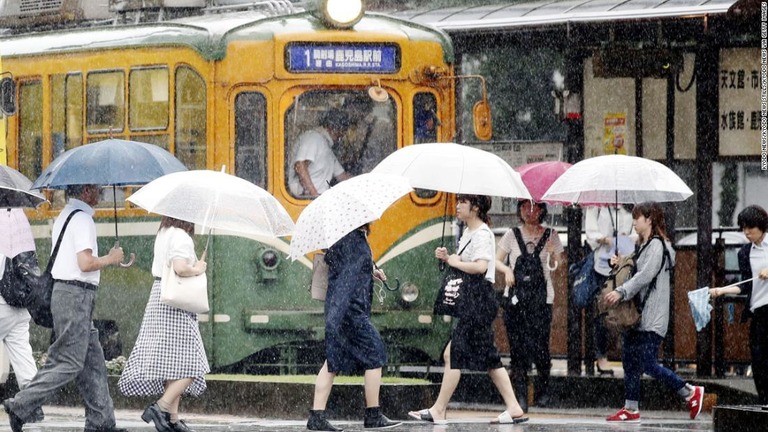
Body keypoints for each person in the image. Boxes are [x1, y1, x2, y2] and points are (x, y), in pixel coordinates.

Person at [3, 184, 127, 432]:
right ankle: (20, 405)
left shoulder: (66, 215)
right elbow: (85, 263)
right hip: (76, 296)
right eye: (97, 189)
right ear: (86, 191)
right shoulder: (82, 219)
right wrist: (112, 259)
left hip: (69, 295)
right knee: (67, 361)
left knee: (92, 361)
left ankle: (101, 421)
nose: (101, 193)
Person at [409, 195, 528, 425]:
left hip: (478, 301)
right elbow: (465, 261)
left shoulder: (482, 233)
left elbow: (481, 266)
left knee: (453, 356)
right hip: (475, 303)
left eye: (462, 203)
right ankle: (513, 407)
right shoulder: (468, 232)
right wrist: (448, 257)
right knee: (489, 359)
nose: (458, 207)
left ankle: (439, 410)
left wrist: (455, 262)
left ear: (475, 208)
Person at [603, 201, 704, 423]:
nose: (634, 222)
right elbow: (634, 272)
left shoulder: (657, 245)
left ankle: (688, 391)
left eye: (637, 218)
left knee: (647, 363)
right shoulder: (643, 245)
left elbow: (645, 276)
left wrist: (621, 291)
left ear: (649, 219)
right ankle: (630, 408)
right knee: (629, 360)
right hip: (637, 317)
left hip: (651, 317)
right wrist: (619, 263)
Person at [118, 216, 209, 432]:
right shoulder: (181, 236)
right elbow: (180, 267)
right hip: (176, 301)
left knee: (175, 364)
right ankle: (161, 407)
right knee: (194, 364)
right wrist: (198, 268)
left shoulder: (164, 233)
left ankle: (172, 419)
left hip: (161, 296)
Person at [307, 224, 402, 431]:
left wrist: (371, 271)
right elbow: (348, 279)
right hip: (350, 311)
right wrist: (341, 315)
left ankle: (316, 416)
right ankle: (373, 415)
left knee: (331, 362)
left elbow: (345, 271)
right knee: (375, 354)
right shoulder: (354, 241)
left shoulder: (340, 237)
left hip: (339, 309)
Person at [496, 199, 564, 411]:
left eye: (534, 207)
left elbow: (558, 264)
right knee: (517, 349)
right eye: (524, 206)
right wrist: (507, 270)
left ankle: (543, 393)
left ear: (542, 210)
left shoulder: (551, 234)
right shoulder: (511, 234)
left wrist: (553, 252)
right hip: (516, 299)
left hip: (541, 300)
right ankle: (520, 397)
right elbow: (496, 260)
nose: (529, 211)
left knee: (541, 346)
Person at [710, 204, 768, 406]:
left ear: (761, 226)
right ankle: (764, 401)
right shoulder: (745, 253)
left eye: (750, 228)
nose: (746, 233)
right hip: (757, 312)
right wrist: (721, 290)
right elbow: (745, 286)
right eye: (743, 228)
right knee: (758, 360)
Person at [0, 209, 43, 423]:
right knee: (23, 355)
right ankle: (32, 406)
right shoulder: (17, 215)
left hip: (1, 302)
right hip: (19, 300)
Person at [585, 205, 635, 375]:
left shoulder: (630, 207)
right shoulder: (597, 206)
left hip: (625, 263)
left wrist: (624, 241)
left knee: (628, 311)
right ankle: (601, 356)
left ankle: (630, 356)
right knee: (601, 313)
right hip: (602, 265)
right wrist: (606, 239)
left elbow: (637, 235)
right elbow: (591, 233)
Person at [288, 109, 352, 197]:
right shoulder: (314, 138)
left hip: (319, 197)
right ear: (331, 127)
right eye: (341, 130)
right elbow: (300, 166)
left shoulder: (327, 147)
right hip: (307, 198)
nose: (341, 135)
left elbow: (342, 177)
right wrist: (313, 194)